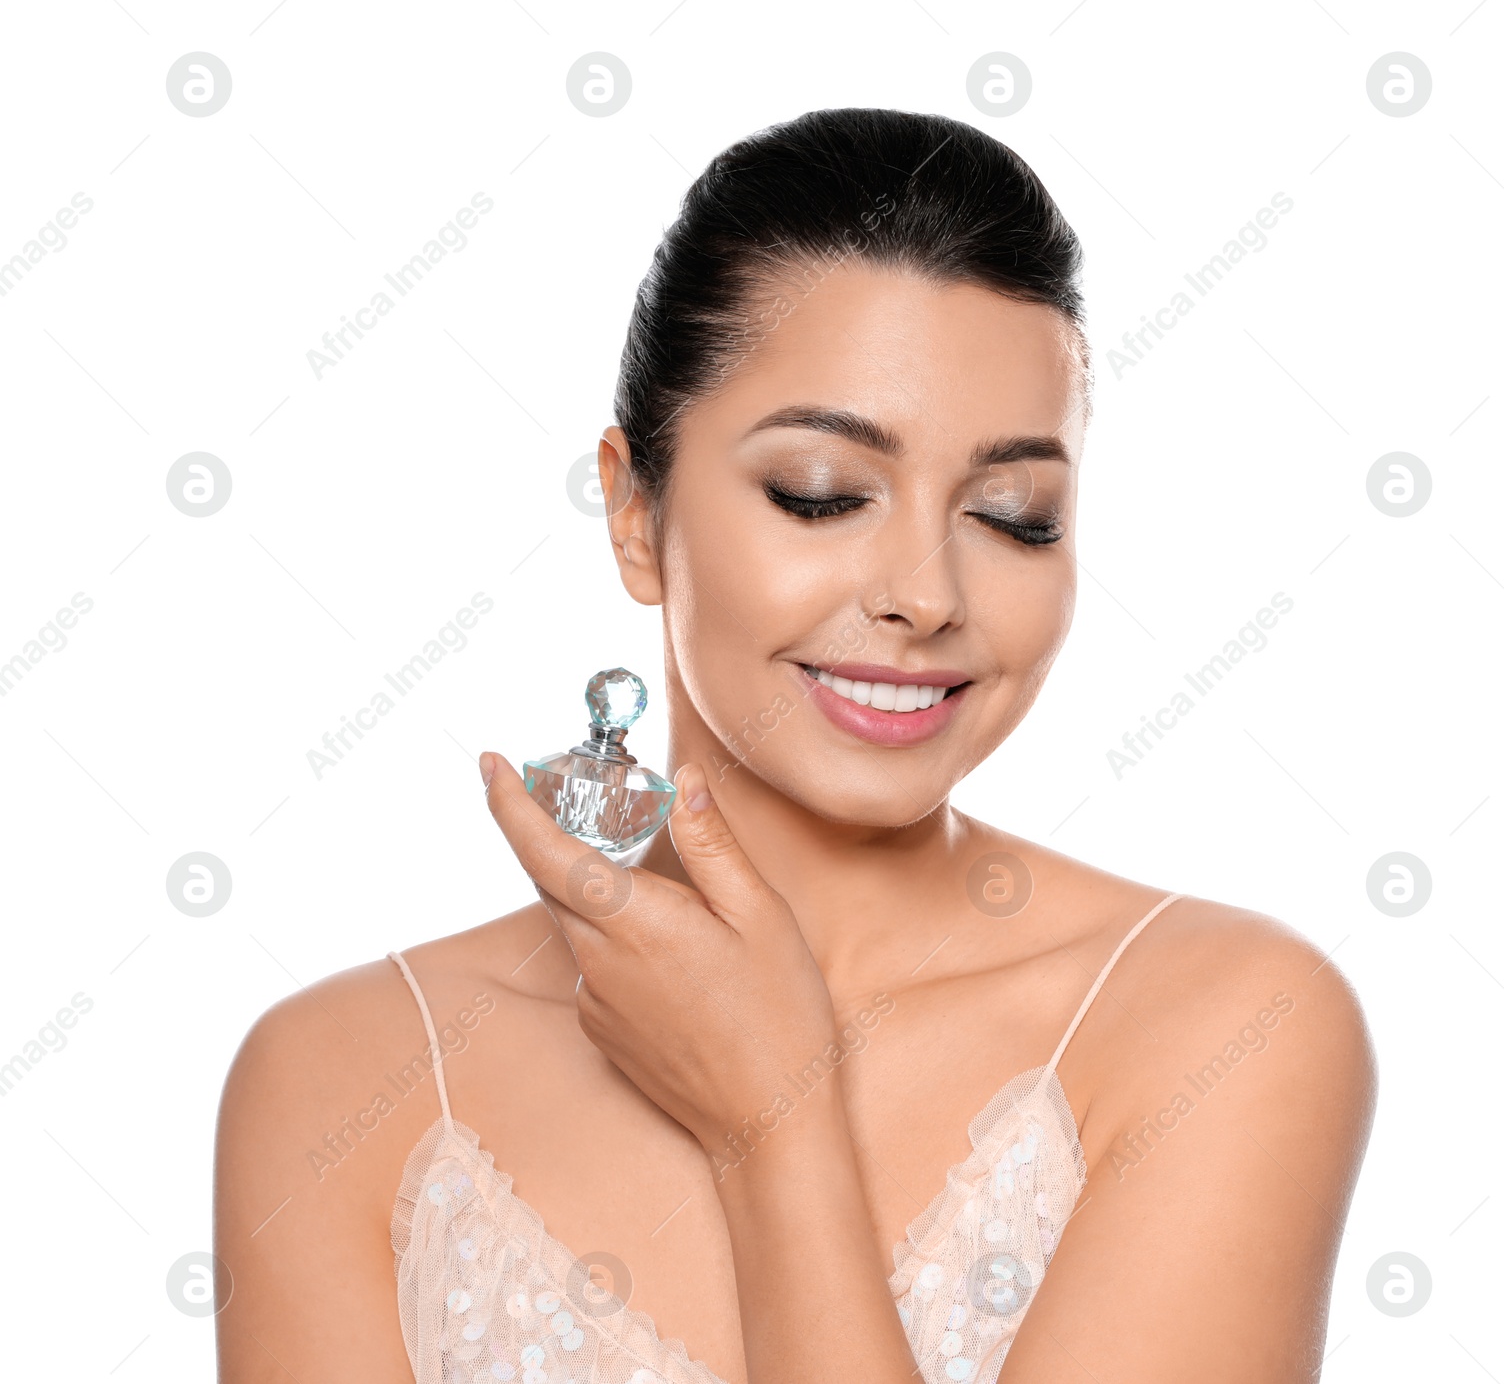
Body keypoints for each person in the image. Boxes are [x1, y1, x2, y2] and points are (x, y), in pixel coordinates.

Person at [216, 107, 1375, 1384]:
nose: (925, 594)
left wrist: (774, 1123)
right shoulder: (342, 1081)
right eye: (822, 491)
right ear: (636, 512)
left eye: (1014, 514)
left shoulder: (1222, 1025)